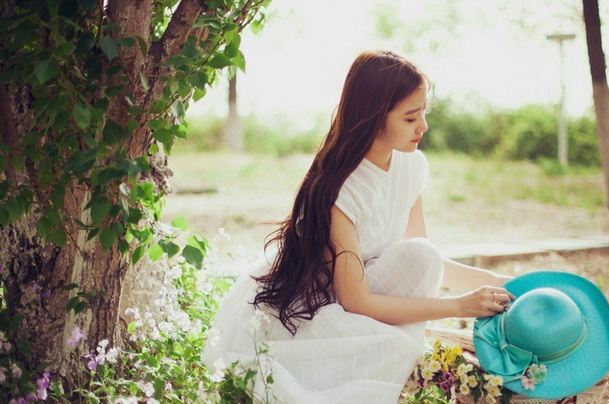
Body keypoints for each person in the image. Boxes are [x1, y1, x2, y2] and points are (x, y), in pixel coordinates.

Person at [202, 50, 514, 404]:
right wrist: (457, 307)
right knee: (395, 349)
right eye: (411, 117)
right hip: (312, 309)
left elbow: (424, 261)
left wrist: (498, 285)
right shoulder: (338, 189)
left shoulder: (410, 165)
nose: (423, 126)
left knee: (423, 255)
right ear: (373, 118)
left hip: (359, 291)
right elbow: (356, 301)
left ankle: (391, 361)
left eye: (424, 112)